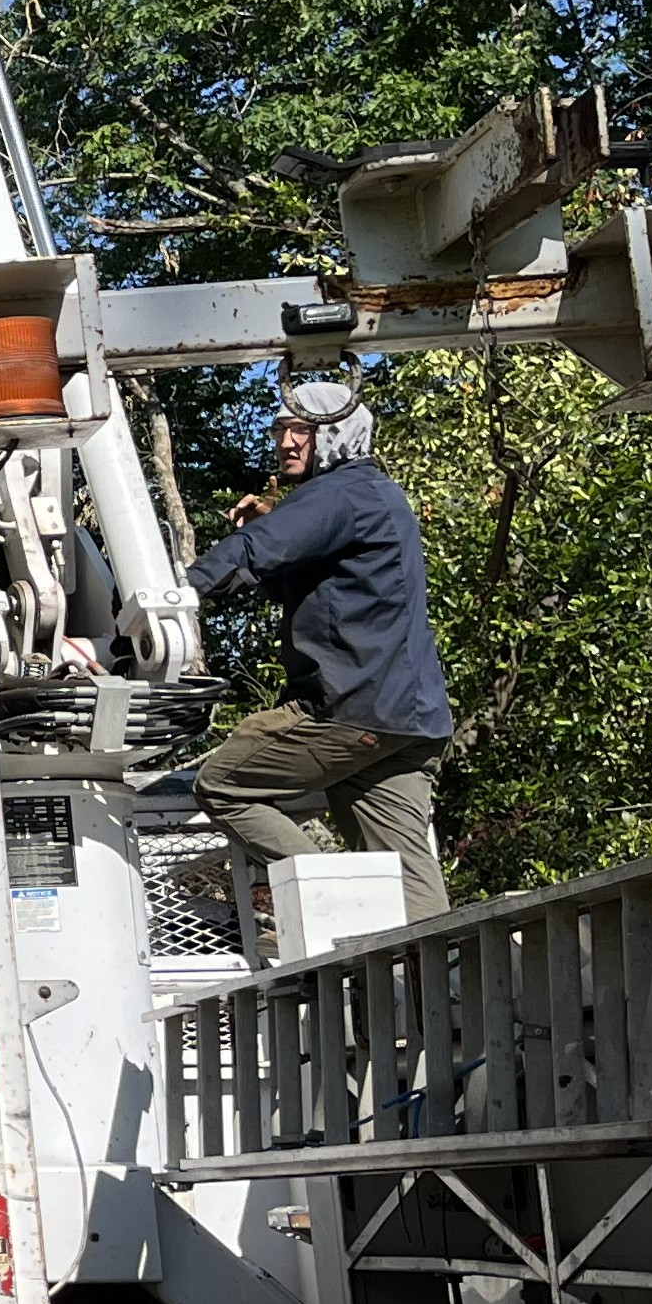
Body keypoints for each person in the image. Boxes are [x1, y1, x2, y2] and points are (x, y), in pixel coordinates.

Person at [186, 379, 453, 923]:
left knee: (222, 783)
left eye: (300, 430)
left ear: (336, 436)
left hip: (351, 710)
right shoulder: (375, 495)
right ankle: (444, 990)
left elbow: (256, 550)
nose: (285, 442)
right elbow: (313, 584)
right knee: (410, 878)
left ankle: (344, 905)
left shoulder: (339, 492)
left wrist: (175, 591)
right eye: (280, 429)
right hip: (412, 719)